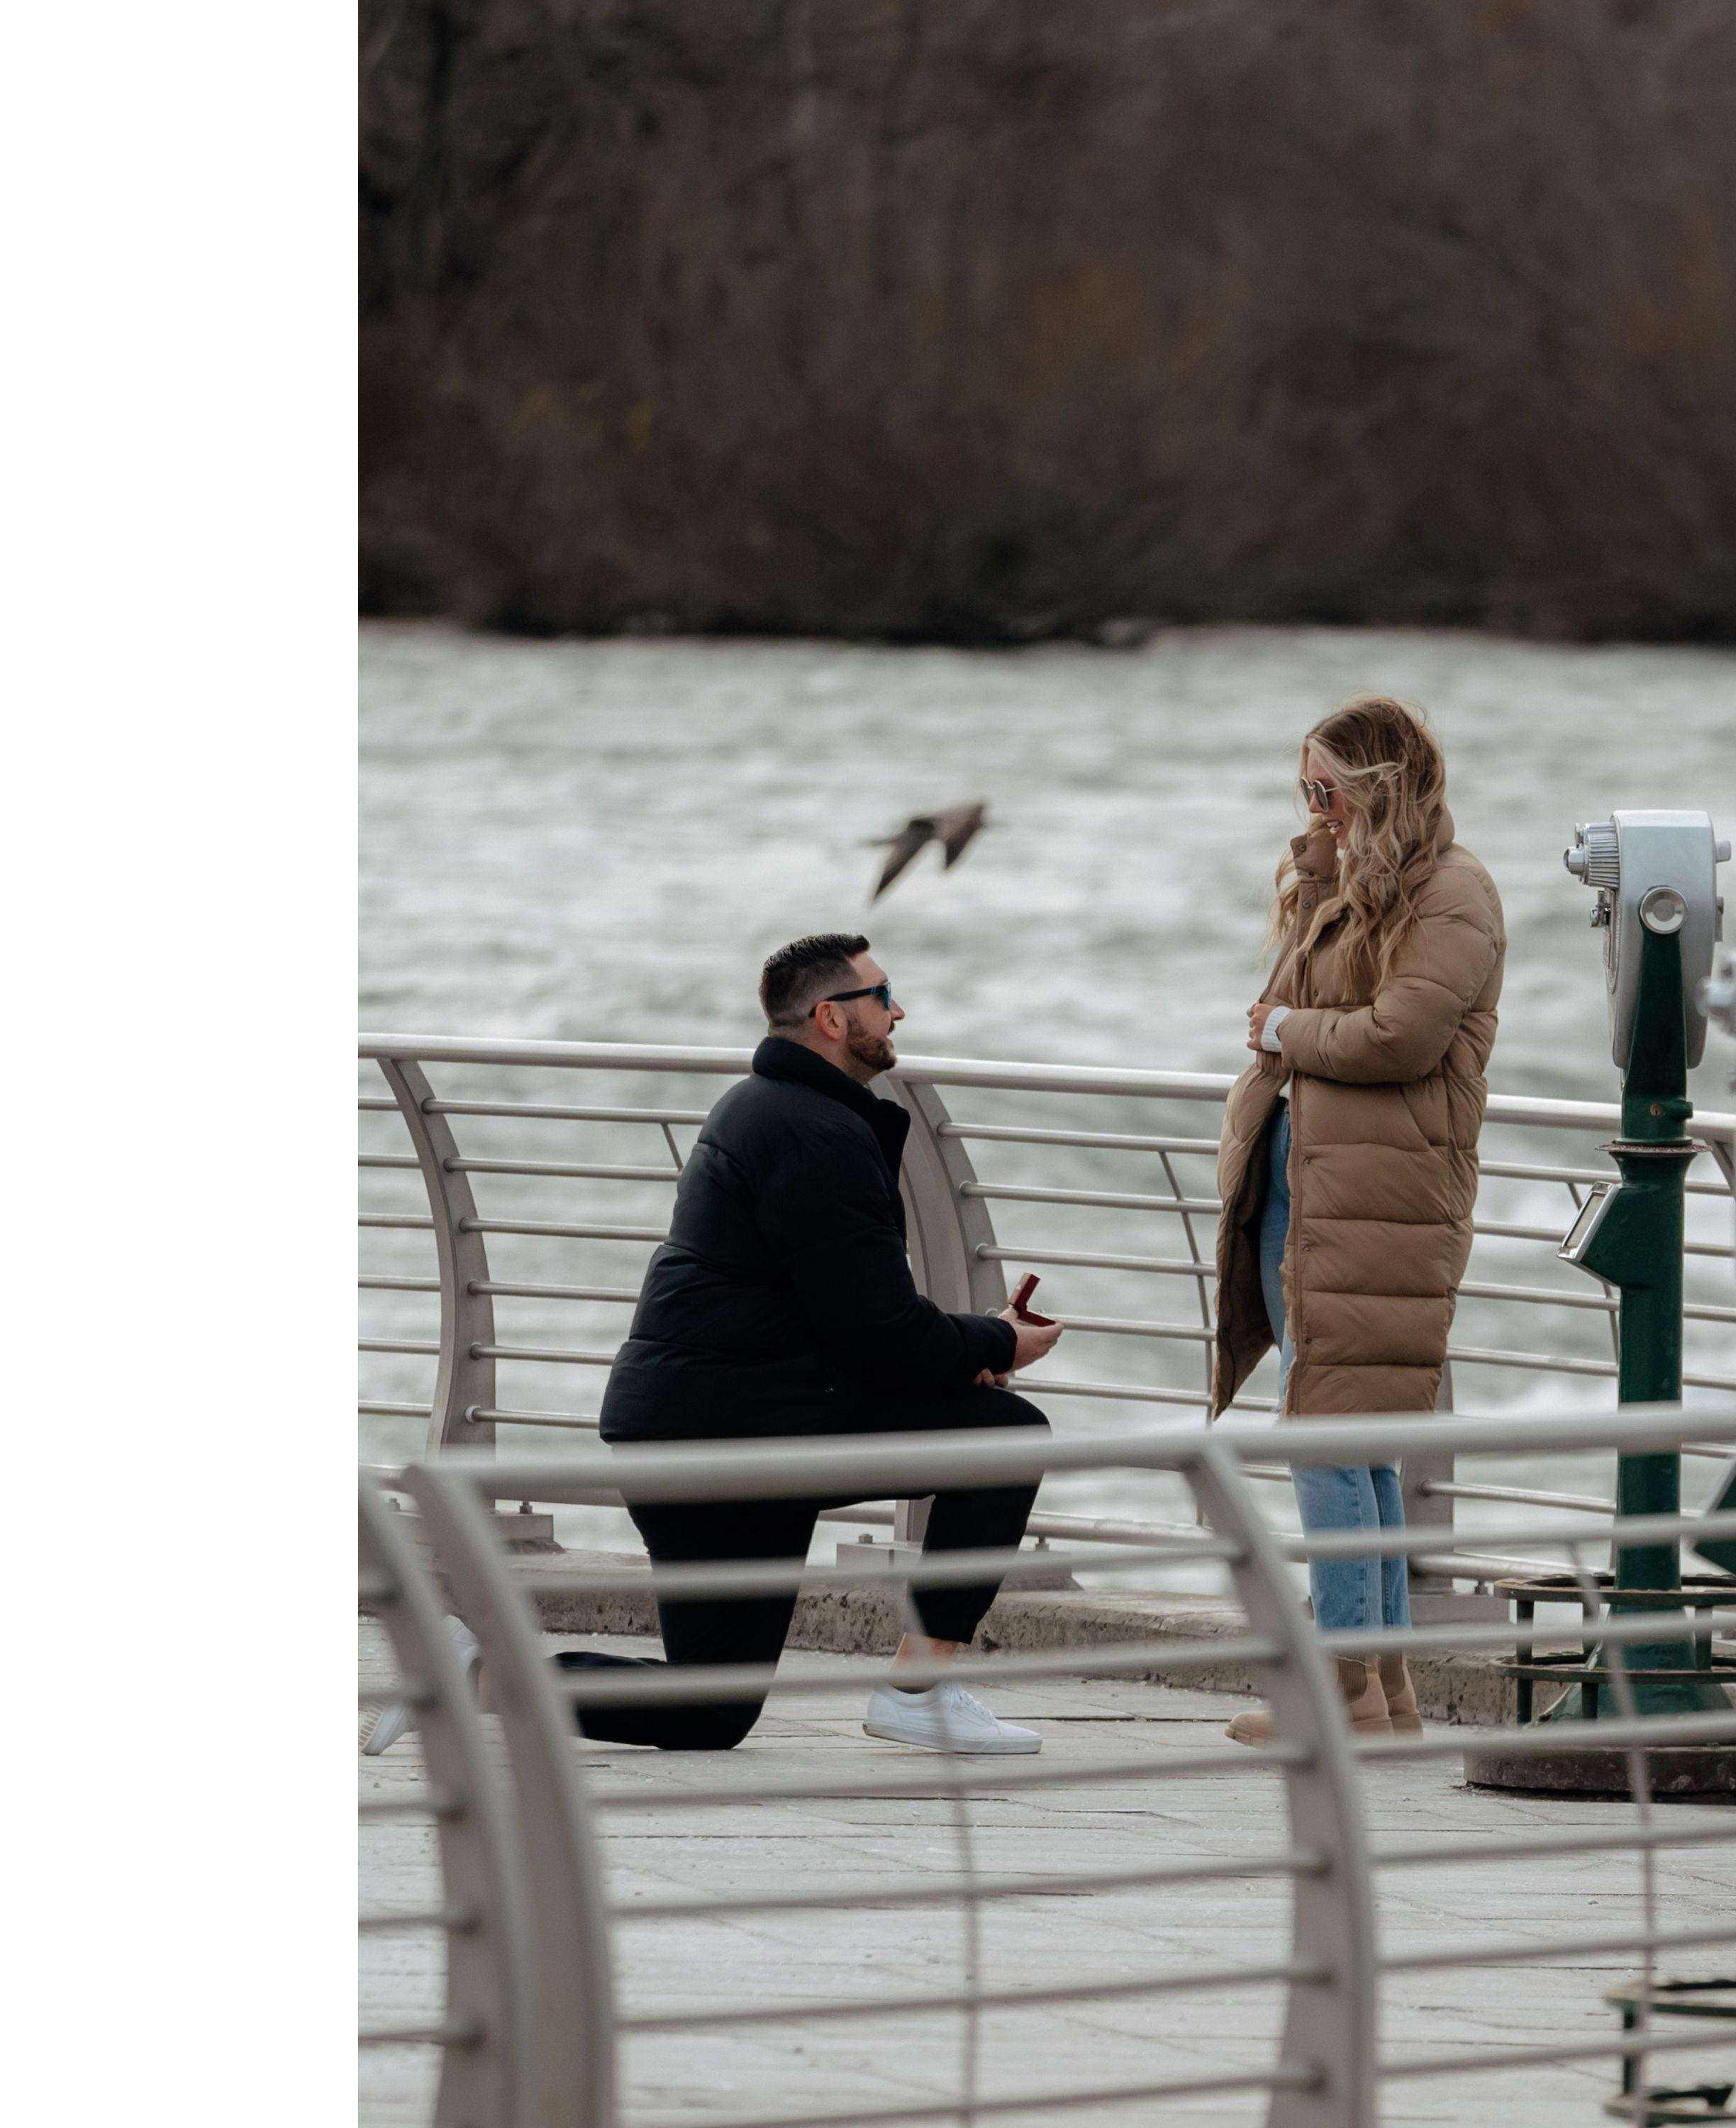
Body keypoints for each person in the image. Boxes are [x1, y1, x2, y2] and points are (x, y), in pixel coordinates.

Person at [366, 933, 1064, 1759]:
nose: (899, 1009)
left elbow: (845, 1318)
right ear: (833, 1017)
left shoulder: (766, 1106)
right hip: (738, 1434)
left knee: (708, 1710)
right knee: (1003, 1436)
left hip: (706, 1421)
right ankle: (918, 1691)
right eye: (884, 995)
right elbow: (875, 1329)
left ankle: (469, 1671)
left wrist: (962, 1352)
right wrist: (1000, 1343)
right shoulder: (814, 1133)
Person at [1210, 698, 1504, 1744]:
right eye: (1303, 791)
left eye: (1326, 791)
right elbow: (1296, 1000)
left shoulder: (1453, 889)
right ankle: (1381, 1695)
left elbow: (1403, 1034)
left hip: (1375, 1197)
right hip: (1314, 1184)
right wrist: (1325, 861)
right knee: (1355, 1440)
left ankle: (1341, 1697)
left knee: (1330, 1437)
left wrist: (1288, 1029)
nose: (1313, 808)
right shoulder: (1362, 883)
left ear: (1377, 787)